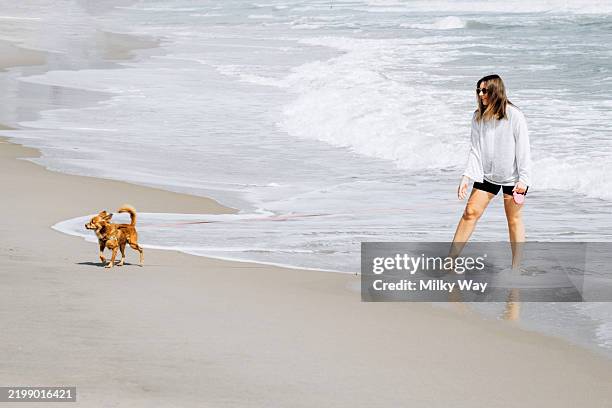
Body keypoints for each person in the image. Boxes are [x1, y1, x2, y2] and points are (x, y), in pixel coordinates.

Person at [450, 74, 531, 270]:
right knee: (470, 212)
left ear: (496, 91)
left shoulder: (514, 116)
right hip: (487, 176)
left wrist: (524, 180)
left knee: (513, 219)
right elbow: (475, 150)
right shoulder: (478, 117)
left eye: (484, 90)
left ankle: (516, 267)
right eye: (478, 90)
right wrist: (466, 177)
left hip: (513, 178)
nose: (480, 94)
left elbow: (524, 148)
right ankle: (450, 261)